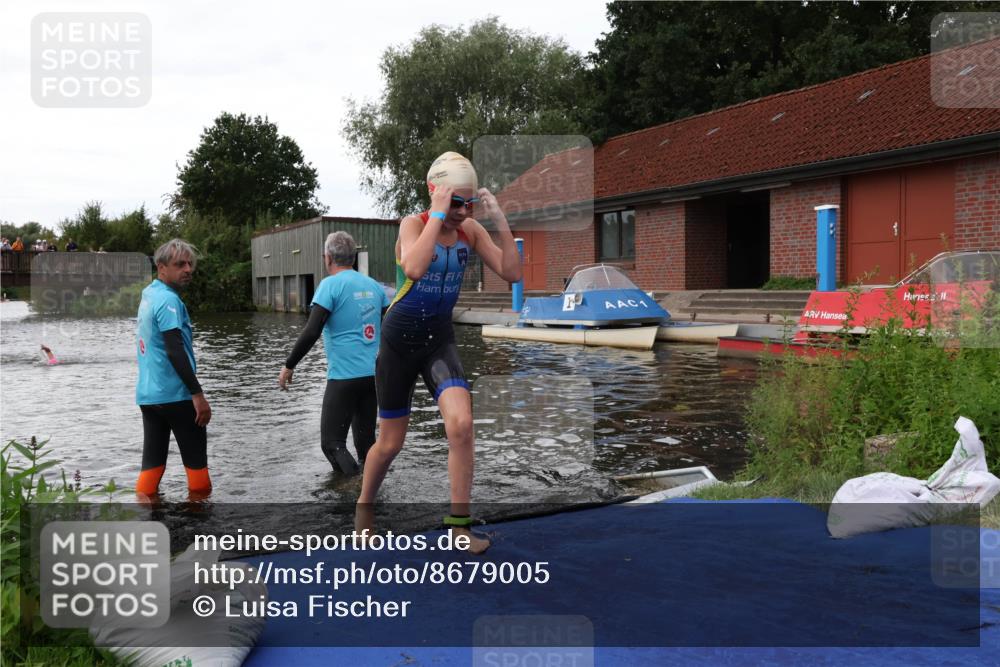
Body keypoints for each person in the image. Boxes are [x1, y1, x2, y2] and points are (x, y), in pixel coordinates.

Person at [357, 151, 522, 553]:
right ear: (436, 195)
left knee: (462, 425)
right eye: (455, 203)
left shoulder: (470, 230)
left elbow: (512, 272)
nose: (462, 212)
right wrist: (436, 213)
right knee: (391, 443)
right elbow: (413, 268)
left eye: (469, 204)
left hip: (438, 339)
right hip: (398, 341)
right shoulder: (414, 223)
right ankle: (364, 508)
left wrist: (497, 219)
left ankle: (459, 527)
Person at [278, 231, 389, 474]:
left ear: (327, 258)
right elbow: (391, 326)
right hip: (373, 377)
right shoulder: (373, 285)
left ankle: (353, 487)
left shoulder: (329, 286)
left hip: (343, 378)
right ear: (354, 256)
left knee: (332, 444)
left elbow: (311, 331)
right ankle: (371, 493)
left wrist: (289, 364)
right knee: (366, 445)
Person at [134, 239, 212, 498]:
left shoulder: (149, 294)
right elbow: (174, 350)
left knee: (152, 465)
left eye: (190, 264)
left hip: (149, 397)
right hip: (176, 396)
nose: (188, 269)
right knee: (197, 470)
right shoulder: (169, 301)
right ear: (161, 267)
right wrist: (197, 394)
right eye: (180, 264)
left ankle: (146, 521)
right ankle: (198, 527)